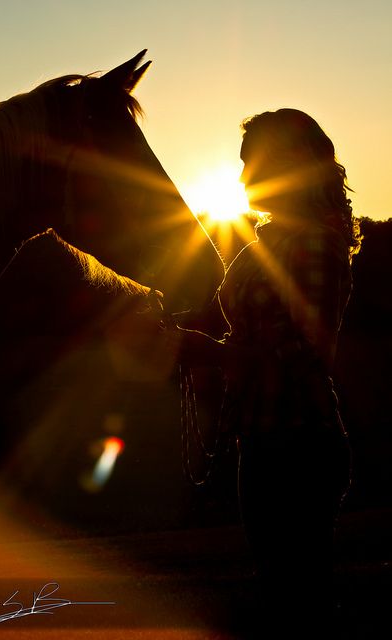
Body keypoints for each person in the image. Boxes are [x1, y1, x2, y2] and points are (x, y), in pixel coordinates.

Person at [165, 109, 360, 637]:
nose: (242, 177)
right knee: (281, 596)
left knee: (298, 603)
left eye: (253, 163)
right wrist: (185, 336)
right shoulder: (262, 245)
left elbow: (307, 353)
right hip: (261, 440)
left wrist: (209, 351)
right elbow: (255, 337)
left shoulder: (314, 243)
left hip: (300, 442)